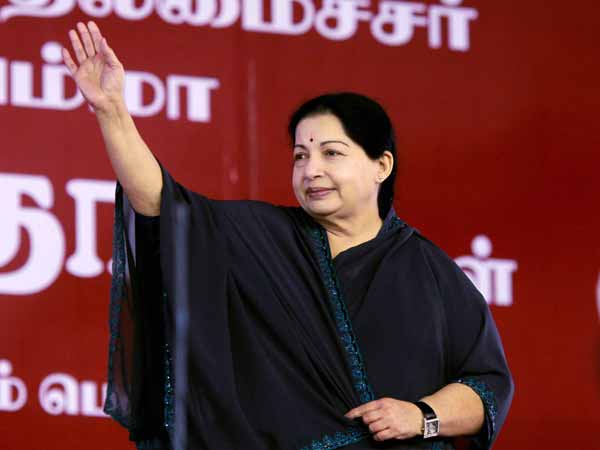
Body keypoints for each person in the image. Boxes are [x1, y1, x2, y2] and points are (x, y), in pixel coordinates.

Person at [63, 21, 514, 450]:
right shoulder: (260, 238)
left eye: (331, 154)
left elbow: (487, 385)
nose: (311, 170)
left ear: (382, 165)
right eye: (300, 156)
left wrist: (421, 415)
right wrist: (112, 111)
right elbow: (163, 205)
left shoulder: (431, 273)